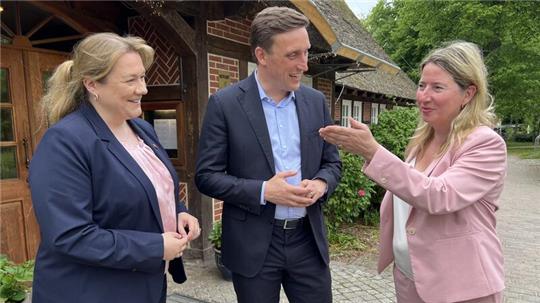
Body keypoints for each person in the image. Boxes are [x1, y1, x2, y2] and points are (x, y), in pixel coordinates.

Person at [320, 41, 506, 303]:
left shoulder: (485, 143)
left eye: (437, 87)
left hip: (461, 287)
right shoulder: (422, 140)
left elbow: (439, 196)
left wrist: (373, 152)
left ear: (468, 94)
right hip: (411, 277)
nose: (423, 96)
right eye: (422, 85)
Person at [29, 32, 200, 303]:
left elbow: (152, 186)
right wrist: (155, 247)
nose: (143, 88)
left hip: (145, 285)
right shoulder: (65, 141)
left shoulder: (142, 129)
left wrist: (179, 212)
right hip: (92, 292)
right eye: (131, 80)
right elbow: (71, 235)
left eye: (142, 77)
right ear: (93, 85)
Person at [195, 6, 341, 303]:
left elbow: (332, 162)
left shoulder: (315, 102)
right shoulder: (224, 104)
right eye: (293, 55)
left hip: (307, 242)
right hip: (254, 246)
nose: (304, 64)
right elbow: (206, 177)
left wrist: (322, 184)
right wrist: (264, 191)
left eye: (306, 52)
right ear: (261, 56)